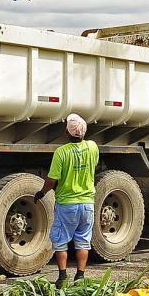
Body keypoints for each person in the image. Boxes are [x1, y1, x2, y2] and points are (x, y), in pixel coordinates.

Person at [33, 114, 99, 287]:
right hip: (87, 204)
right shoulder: (92, 147)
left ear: (67, 132)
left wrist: (41, 193)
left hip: (67, 204)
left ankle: (62, 276)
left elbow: (52, 180)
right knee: (83, 240)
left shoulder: (61, 153)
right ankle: (80, 276)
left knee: (61, 240)